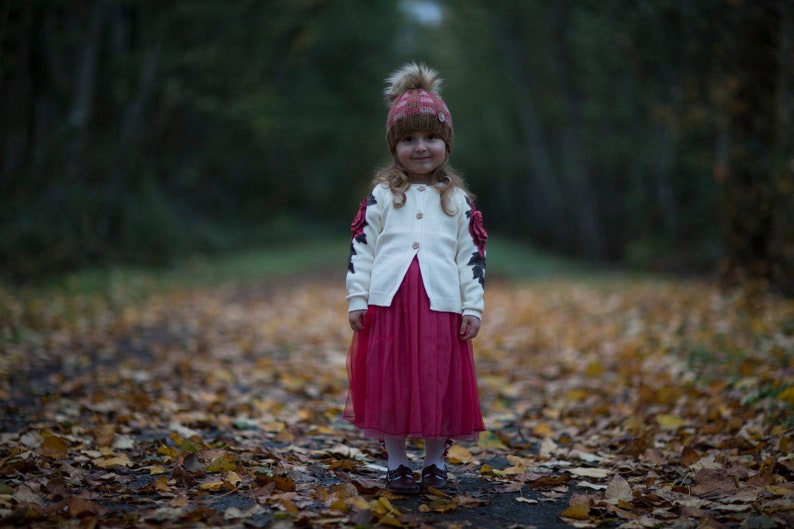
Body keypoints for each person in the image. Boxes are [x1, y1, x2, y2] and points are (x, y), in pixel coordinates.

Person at [344, 62, 488, 495]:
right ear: (394, 147)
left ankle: (434, 463)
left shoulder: (457, 201)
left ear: (446, 143)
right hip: (388, 305)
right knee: (392, 382)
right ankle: (396, 463)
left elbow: (472, 256)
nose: (420, 147)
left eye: (430, 137)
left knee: (436, 382)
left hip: (440, 306)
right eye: (408, 139)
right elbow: (361, 247)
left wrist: (472, 306)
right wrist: (357, 297)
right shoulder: (384, 195)